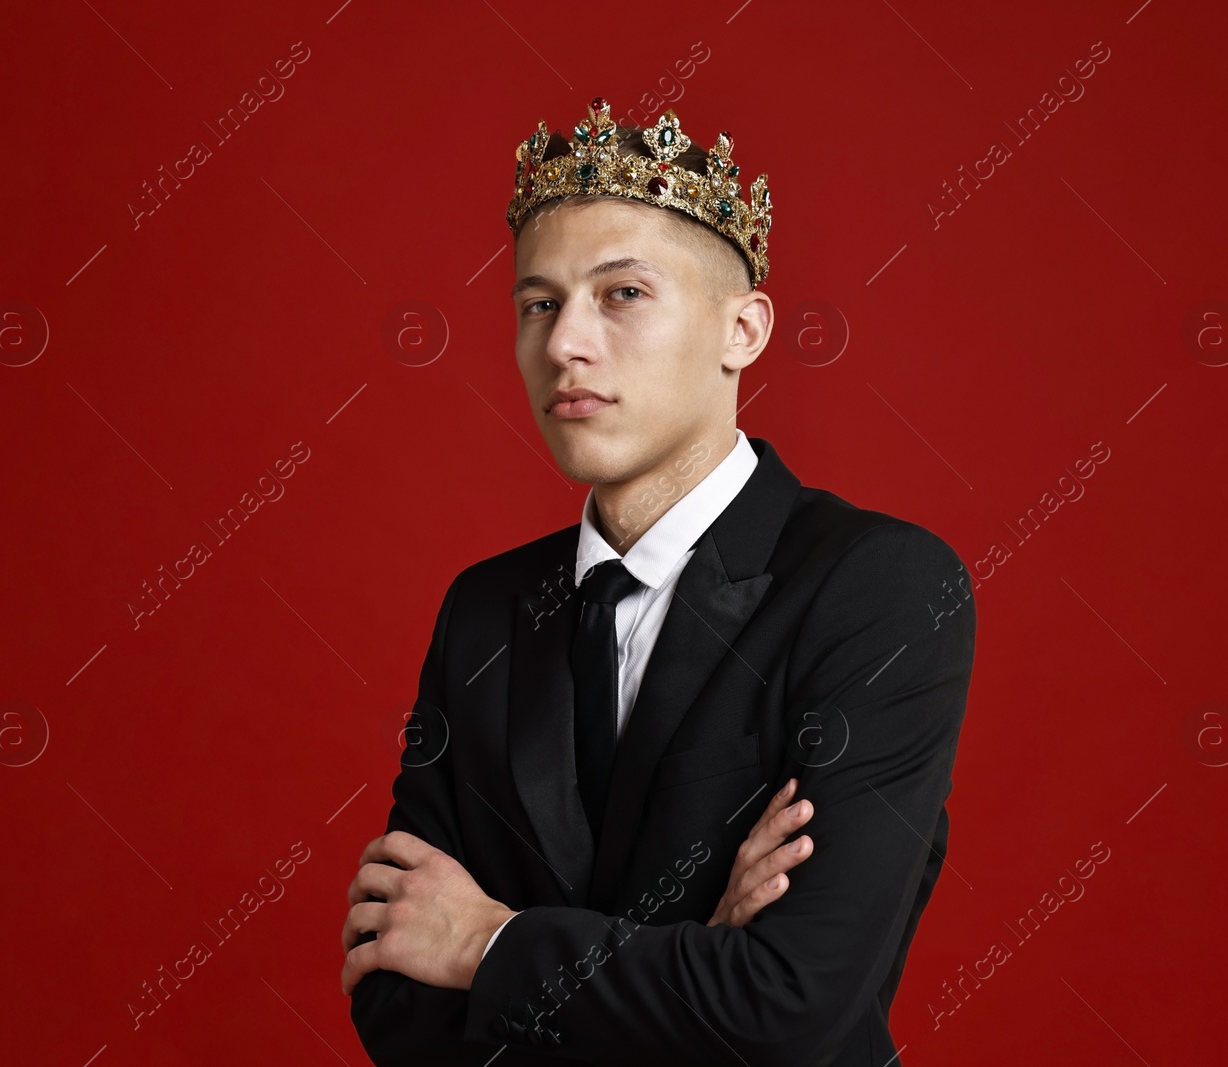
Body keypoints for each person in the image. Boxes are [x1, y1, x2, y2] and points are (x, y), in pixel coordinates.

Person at [341, 97, 976, 1066]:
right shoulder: (484, 611)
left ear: (744, 329)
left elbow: (789, 1003)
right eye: (538, 302)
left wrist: (484, 940)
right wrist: (698, 949)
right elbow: (395, 1001)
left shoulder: (877, 586)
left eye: (621, 293)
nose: (563, 344)